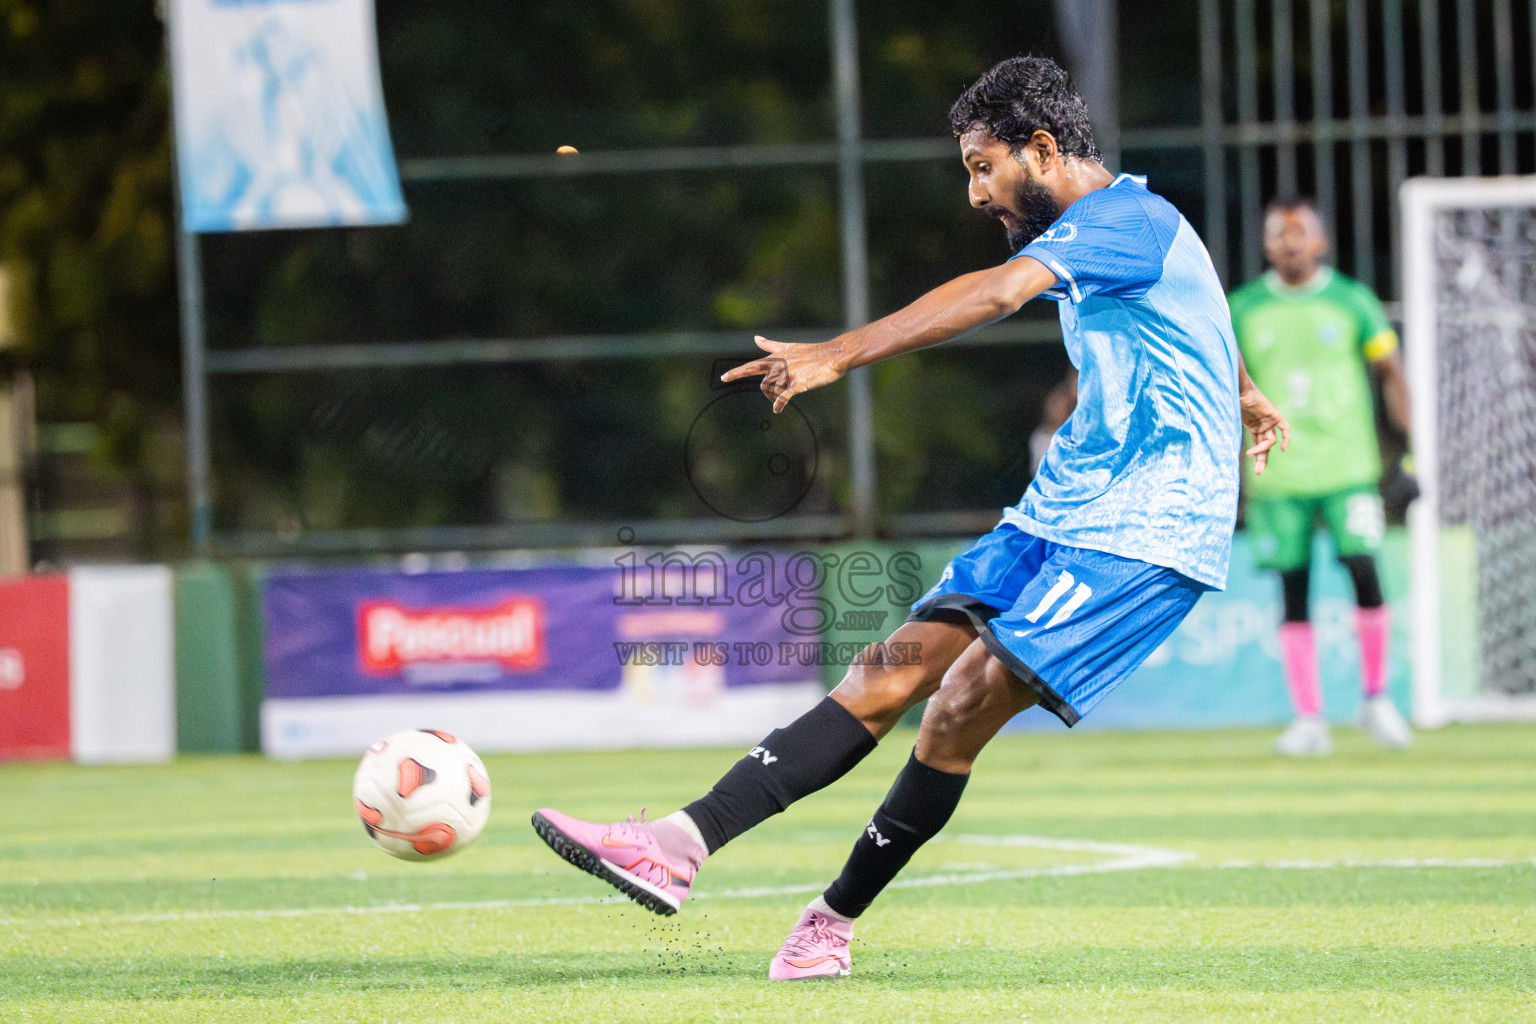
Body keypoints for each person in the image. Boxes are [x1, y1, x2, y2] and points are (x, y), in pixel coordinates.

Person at [532, 56, 1289, 980]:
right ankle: (677, 845)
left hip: (1149, 531)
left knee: (957, 708)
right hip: (1065, 508)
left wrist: (839, 354)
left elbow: (993, 294)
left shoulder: (1122, 222)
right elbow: (1197, 306)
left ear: (1041, 149)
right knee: (886, 672)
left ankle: (829, 923)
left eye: (983, 166)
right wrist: (1244, 391)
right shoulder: (1121, 232)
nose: (975, 193)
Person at [1228, 198, 1414, 757]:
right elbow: (1225, 387)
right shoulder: (1242, 308)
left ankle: (1376, 699)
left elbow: (1392, 373)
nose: (1288, 242)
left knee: (1364, 571)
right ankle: (1309, 717)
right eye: (1276, 234)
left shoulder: (1352, 301)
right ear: (1264, 245)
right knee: (1293, 590)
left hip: (1347, 469)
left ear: (1321, 242)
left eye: (1298, 232)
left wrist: (1409, 456)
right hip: (1276, 472)